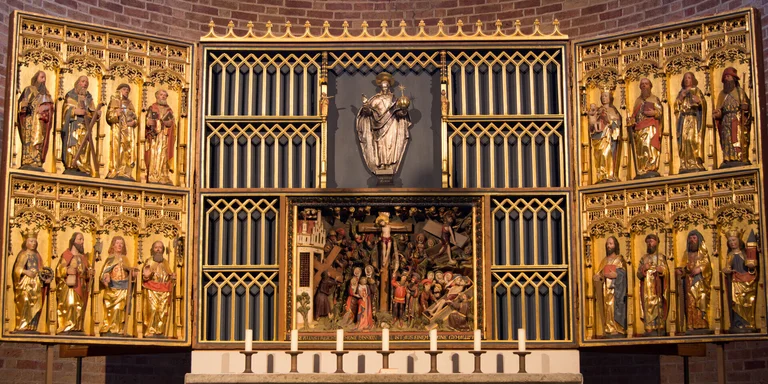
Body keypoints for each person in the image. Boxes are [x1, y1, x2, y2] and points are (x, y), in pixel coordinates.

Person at [355, 72, 412, 175]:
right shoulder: (376, 99)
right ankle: (381, 164)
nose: (385, 89)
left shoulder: (394, 100)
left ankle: (389, 164)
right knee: (380, 145)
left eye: (386, 87)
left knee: (390, 144)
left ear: (389, 87)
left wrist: (403, 109)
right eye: (383, 87)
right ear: (380, 87)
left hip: (392, 124)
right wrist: (365, 106)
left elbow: (399, 113)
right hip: (378, 126)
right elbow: (369, 112)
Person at [12, 230, 52, 332]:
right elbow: (17, 269)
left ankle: (32, 326)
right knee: (25, 301)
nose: (33, 243)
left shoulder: (37, 255)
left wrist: (46, 276)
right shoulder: (23, 254)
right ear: (26, 242)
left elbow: (41, 270)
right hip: (26, 283)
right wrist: (25, 271)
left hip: (36, 283)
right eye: (31, 241)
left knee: (37, 304)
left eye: (34, 241)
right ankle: (22, 325)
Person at [62, 76, 99, 177]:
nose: (85, 84)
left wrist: (96, 114)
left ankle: (83, 166)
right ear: (77, 83)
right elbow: (65, 110)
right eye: (83, 81)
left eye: (87, 82)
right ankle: (72, 165)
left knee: (84, 148)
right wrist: (74, 111)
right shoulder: (71, 95)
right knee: (73, 146)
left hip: (85, 127)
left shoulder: (89, 98)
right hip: (74, 127)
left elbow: (92, 112)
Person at [16, 70, 54, 170]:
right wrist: (23, 106)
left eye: (45, 78)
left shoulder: (46, 95)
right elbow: (21, 105)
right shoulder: (29, 89)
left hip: (40, 122)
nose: (44, 80)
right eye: (42, 77)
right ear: (36, 78)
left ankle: (37, 160)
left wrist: (46, 107)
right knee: (29, 140)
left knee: (39, 140)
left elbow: (51, 108)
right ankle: (28, 160)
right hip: (29, 120)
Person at [713, 67, 751, 167]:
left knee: (737, 138)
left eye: (728, 76)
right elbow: (719, 110)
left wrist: (745, 108)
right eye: (725, 77)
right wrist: (717, 114)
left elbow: (747, 108)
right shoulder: (722, 94)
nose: (727, 79)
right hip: (725, 120)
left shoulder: (740, 92)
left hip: (736, 119)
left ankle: (739, 157)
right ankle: (727, 158)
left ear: (734, 79)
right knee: (727, 140)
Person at [56, 232, 93, 333]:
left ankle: (77, 327)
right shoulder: (67, 255)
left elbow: (86, 272)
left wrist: (89, 273)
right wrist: (67, 270)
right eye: (79, 239)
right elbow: (59, 268)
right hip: (70, 286)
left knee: (79, 306)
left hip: (81, 285)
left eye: (83, 240)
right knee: (71, 304)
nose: (82, 242)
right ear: (73, 241)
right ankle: (68, 327)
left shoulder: (83, 257)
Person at [676, 230, 712, 332]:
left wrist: (700, 269)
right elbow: (683, 267)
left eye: (694, 238)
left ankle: (702, 324)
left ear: (699, 240)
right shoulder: (686, 254)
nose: (692, 240)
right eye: (690, 238)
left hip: (700, 283)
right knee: (690, 303)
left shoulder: (702, 253)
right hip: (688, 283)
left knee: (700, 301)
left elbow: (707, 266)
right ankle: (690, 325)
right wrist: (681, 271)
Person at [722, 230, 758, 332]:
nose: (732, 243)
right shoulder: (730, 255)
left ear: (739, 241)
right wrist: (726, 270)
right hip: (736, 282)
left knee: (748, 302)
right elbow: (727, 267)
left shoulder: (745, 254)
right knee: (736, 303)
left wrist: (752, 266)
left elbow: (752, 266)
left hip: (748, 281)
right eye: (730, 241)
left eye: (734, 240)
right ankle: (738, 323)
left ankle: (749, 323)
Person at [627, 78, 663, 178]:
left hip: (650, 127)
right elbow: (634, 115)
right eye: (642, 84)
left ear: (650, 86)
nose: (644, 85)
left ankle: (651, 167)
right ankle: (642, 168)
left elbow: (660, 112)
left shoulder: (654, 99)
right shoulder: (638, 101)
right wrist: (631, 121)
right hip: (639, 129)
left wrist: (654, 113)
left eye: (646, 84)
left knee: (649, 146)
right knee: (641, 148)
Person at [99, 236, 135, 334]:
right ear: (113, 245)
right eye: (117, 243)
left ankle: (119, 329)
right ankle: (110, 328)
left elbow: (129, 273)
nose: (119, 245)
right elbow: (105, 272)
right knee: (113, 309)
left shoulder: (125, 259)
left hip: (124, 288)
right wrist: (106, 276)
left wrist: (133, 274)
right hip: (112, 288)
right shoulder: (110, 258)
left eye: (121, 243)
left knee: (120, 309)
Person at [593, 236, 627, 337]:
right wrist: (597, 277)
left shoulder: (619, 259)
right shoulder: (604, 260)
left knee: (614, 308)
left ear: (615, 245)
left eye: (611, 243)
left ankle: (617, 328)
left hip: (616, 291)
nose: (608, 246)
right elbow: (600, 273)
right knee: (607, 309)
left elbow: (624, 274)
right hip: (606, 291)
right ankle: (609, 329)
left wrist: (616, 275)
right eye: (607, 244)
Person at [636, 234, 668, 336]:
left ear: (657, 243)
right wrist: (643, 268)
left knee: (658, 305)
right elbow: (638, 274)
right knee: (647, 306)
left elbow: (667, 272)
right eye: (648, 241)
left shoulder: (661, 257)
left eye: (652, 241)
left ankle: (659, 326)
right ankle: (649, 328)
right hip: (646, 288)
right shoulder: (644, 258)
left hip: (657, 286)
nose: (650, 243)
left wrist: (662, 270)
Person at [675, 72, 707, 173]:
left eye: (689, 78)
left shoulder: (697, 90)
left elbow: (703, 104)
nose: (687, 80)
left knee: (692, 140)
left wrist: (699, 101)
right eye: (685, 78)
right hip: (684, 120)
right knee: (684, 141)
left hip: (693, 119)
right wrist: (681, 98)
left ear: (692, 80)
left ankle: (695, 162)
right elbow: (676, 107)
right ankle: (684, 164)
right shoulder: (681, 92)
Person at [587, 88, 622, 182]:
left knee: (606, 154)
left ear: (610, 98)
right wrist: (592, 120)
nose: (604, 98)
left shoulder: (612, 110)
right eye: (602, 96)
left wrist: (608, 119)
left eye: (606, 96)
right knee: (599, 154)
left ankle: (609, 175)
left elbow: (617, 123)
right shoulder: (598, 110)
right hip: (598, 136)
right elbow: (592, 125)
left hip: (608, 137)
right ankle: (601, 176)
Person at [142, 241, 175, 337]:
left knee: (162, 311)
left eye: (160, 247)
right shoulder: (149, 261)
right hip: (151, 289)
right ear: (153, 249)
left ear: (163, 250)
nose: (158, 249)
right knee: (152, 310)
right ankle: (150, 331)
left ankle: (160, 332)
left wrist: (172, 277)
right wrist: (146, 276)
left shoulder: (165, 262)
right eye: (156, 247)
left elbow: (169, 274)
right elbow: (144, 276)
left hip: (164, 290)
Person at [106, 84, 138, 180]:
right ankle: (116, 170)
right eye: (124, 89)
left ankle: (126, 172)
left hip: (128, 131)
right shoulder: (115, 101)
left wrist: (134, 122)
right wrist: (116, 114)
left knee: (127, 150)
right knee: (118, 149)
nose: (126, 91)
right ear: (119, 90)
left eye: (128, 90)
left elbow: (135, 118)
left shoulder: (129, 103)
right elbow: (109, 116)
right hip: (118, 129)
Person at [145, 89, 176, 185]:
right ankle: (153, 175)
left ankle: (163, 175)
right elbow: (149, 121)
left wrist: (170, 123)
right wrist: (152, 123)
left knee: (164, 155)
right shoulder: (153, 108)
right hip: (155, 137)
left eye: (165, 95)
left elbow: (172, 124)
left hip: (165, 136)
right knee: (155, 154)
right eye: (161, 95)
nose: (163, 97)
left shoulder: (169, 110)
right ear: (157, 96)